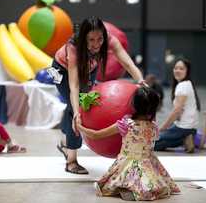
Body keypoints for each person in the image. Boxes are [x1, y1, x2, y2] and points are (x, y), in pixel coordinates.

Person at [53, 17, 145, 174]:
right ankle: (71, 161)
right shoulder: (73, 47)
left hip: (89, 67)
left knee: (88, 103)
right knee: (75, 109)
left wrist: (141, 80)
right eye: (91, 40)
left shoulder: (109, 39)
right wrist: (76, 111)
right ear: (84, 38)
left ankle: (65, 142)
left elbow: (128, 63)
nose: (96, 44)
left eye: (99, 39)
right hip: (61, 70)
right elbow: (74, 85)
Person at [77, 86, 180, 201]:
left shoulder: (126, 124)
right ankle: (140, 189)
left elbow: (96, 135)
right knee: (152, 183)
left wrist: (80, 127)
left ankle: (130, 189)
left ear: (134, 105)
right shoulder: (153, 127)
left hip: (127, 164)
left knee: (114, 183)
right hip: (149, 164)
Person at [154, 58, 201, 153]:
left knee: (152, 143)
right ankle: (185, 139)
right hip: (189, 128)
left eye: (181, 68)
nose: (177, 71)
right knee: (163, 137)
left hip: (183, 128)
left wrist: (162, 128)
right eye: (176, 68)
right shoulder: (188, 84)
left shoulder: (182, 86)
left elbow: (177, 111)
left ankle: (184, 139)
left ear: (187, 71)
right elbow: (178, 114)